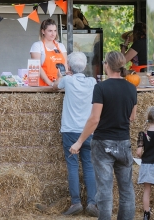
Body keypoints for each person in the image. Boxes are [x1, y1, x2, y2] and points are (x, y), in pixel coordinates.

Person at [69, 51, 137, 220]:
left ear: (107, 65)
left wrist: (79, 142)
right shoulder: (131, 88)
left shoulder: (101, 88)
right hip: (123, 142)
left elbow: (94, 119)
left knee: (105, 191)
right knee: (126, 190)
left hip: (103, 144)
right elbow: (132, 117)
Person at [55, 51, 98, 217]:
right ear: (86, 66)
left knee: (72, 165)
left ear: (69, 67)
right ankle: (92, 203)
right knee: (89, 165)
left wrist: (61, 75)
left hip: (70, 130)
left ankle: (75, 202)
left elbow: (55, 85)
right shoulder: (93, 82)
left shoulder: (67, 80)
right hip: (88, 130)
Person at [136, 106, 154, 220]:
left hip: (146, 164)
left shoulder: (142, 134)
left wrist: (142, 153)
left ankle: (146, 214)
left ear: (147, 118)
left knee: (146, 190)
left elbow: (138, 153)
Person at [30, 18, 68, 86]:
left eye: (55, 31)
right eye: (50, 31)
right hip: (43, 85)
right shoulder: (37, 46)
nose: (53, 34)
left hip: (60, 84)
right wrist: (51, 84)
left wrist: (63, 82)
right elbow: (37, 67)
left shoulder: (61, 46)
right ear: (43, 31)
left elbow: (65, 66)